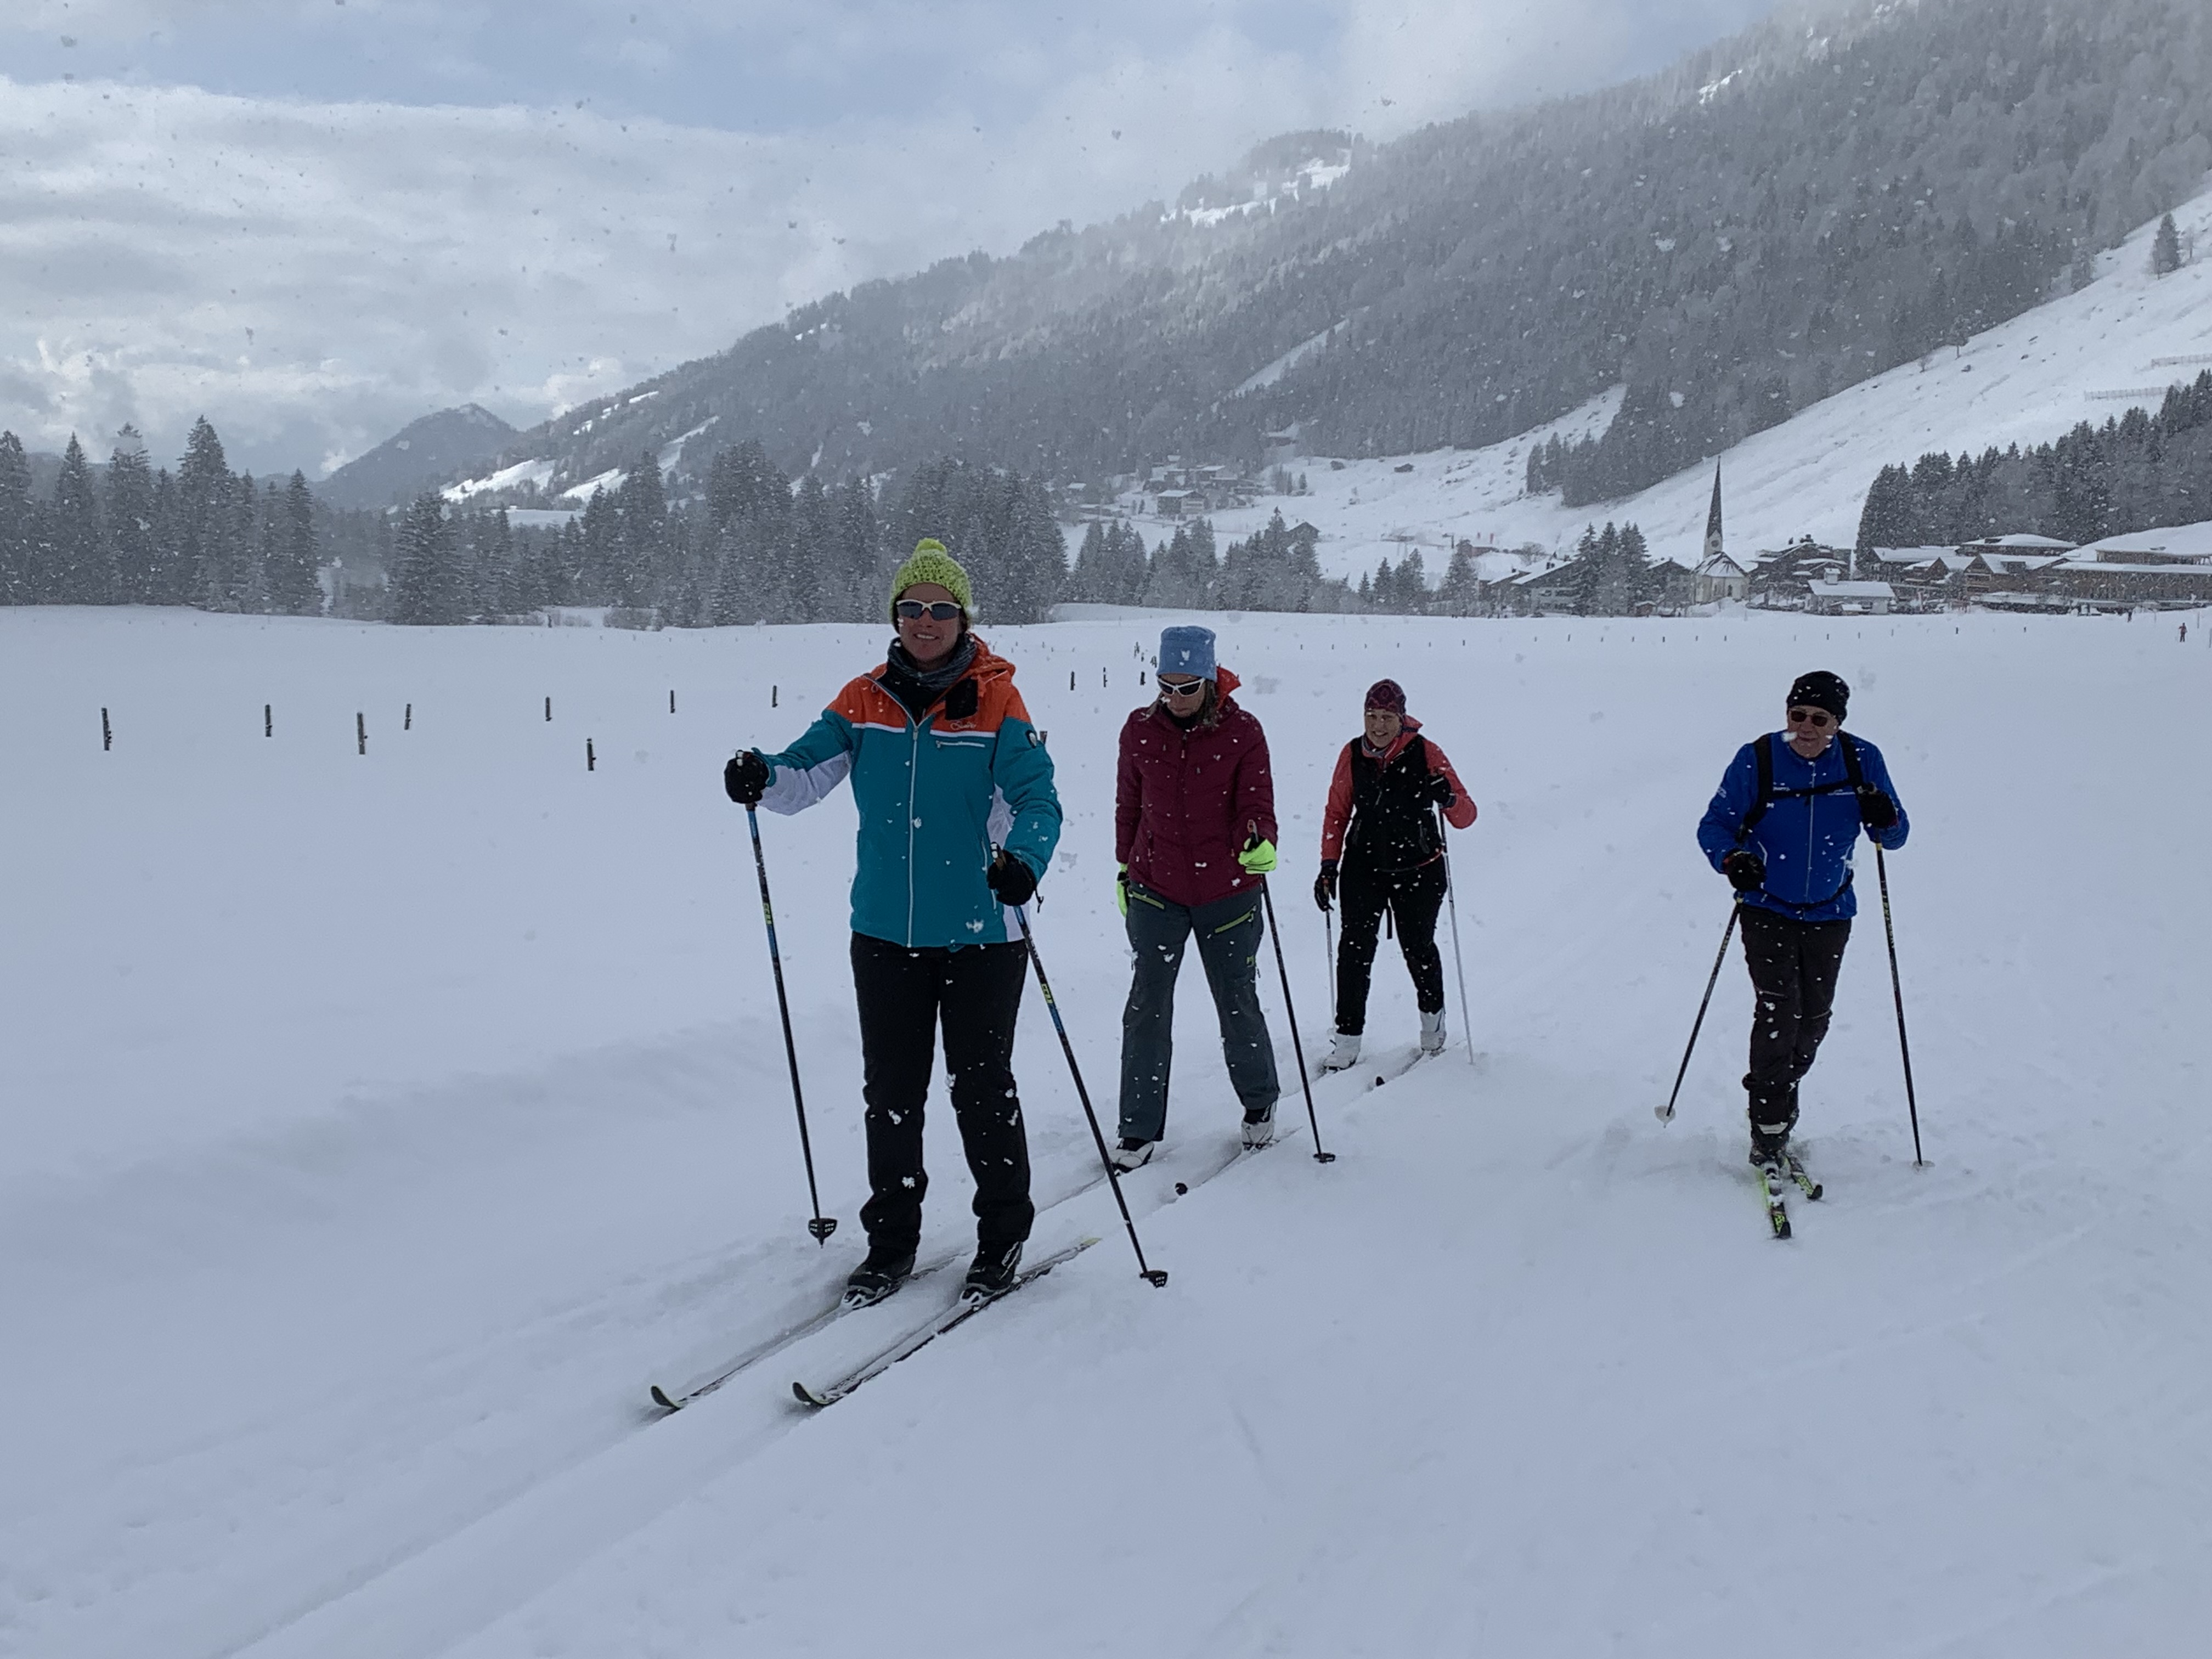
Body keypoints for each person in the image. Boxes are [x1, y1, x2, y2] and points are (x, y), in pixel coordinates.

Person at [722, 540, 1061, 1305]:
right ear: (895, 618)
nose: (926, 621)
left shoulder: (999, 700)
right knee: (893, 1092)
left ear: (964, 617)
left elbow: (1038, 800)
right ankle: (891, 1242)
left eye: (941, 608)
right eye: (912, 608)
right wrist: (760, 774)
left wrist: (1024, 863)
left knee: (981, 1091)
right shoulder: (863, 698)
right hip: (884, 933)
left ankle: (1002, 1234)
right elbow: (803, 772)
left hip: (981, 932)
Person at [1696, 670, 1908, 1167]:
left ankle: (1783, 1093)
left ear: (1838, 723)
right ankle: (1768, 1129)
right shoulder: (1759, 759)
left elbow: (1895, 838)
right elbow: (1716, 825)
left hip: (1831, 910)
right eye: (1798, 716)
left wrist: (1884, 816)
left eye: (1820, 719)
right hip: (1767, 906)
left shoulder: (1862, 760)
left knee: (1813, 1019)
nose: (1807, 728)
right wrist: (1733, 859)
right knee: (1778, 1009)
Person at [1109, 624, 1280, 1171]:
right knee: (1146, 1007)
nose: (1175, 698)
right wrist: (1123, 867)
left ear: (1209, 680)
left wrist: (1258, 839)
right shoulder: (1139, 731)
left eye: (1187, 688)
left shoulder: (1244, 732)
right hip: (1156, 888)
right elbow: (1129, 806)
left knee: (1236, 1000)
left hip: (1227, 891)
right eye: (1165, 686)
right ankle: (1137, 1129)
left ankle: (1259, 1103)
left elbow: (1257, 801)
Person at [1312, 679, 1476, 1069]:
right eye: (1371, 716)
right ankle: (1348, 1039)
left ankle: (1433, 1029)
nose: (1378, 726)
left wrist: (1448, 797)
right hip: (1363, 865)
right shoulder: (1352, 754)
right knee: (1354, 951)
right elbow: (1336, 814)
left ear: (1402, 720)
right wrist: (1328, 867)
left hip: (1419, 867)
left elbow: (1467, 816)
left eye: (1387, 717)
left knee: (1417, 947)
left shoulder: (1426, 752)